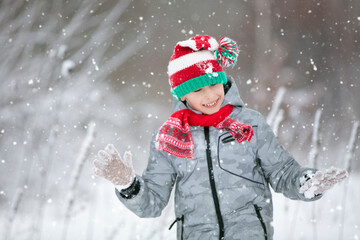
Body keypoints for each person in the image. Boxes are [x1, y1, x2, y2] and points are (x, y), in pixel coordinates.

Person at [94, 35, 348, 240]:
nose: (210, 96)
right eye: (198, 90)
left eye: (214, 84)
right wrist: (129, 186)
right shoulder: (168, 137)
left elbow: (283, 172)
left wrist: (307, 183)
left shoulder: (250, 123)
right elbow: (152, 204)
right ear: (182, 95)